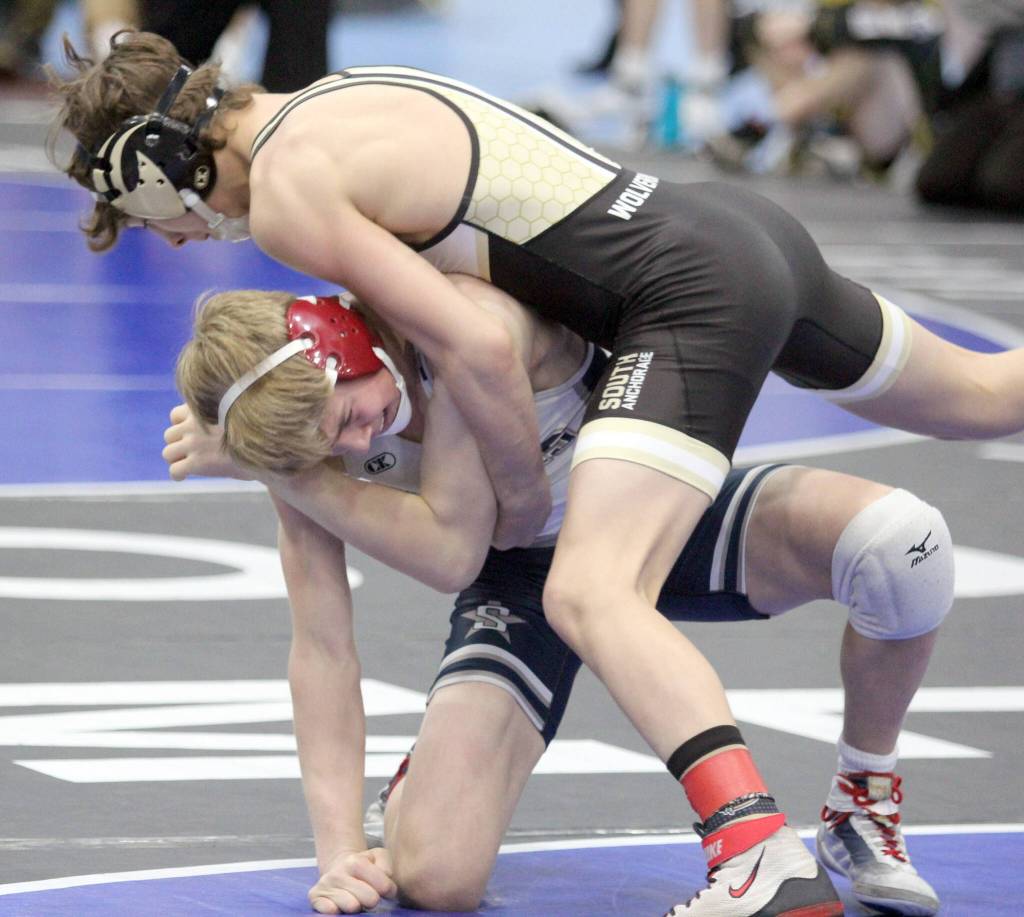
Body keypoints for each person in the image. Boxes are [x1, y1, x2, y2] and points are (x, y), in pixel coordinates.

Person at [50, 31, 1024, 913]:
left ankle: (757, 846)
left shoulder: (292, 199)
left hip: (671, 299)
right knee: (987, 395)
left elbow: (472, 362)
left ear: (162, 164)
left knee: (593, 587)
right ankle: (828, 816)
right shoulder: (331, 107)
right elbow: (327, 632)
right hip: (725, 237)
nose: (174, 238)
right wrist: (338, 846)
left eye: (144, 216)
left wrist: (510, 505)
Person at [165, 275, 948, 916]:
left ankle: (861, 796)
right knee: (437, 876)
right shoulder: (314, 443)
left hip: (650, 511)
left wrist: (289, 477)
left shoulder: (464, 321)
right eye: (327, 449)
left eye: (346, 418)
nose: (358, 446)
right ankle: (416, 782)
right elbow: (323, 649)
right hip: (522, 577)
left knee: (905, 547)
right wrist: (338, 853)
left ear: (347, 344)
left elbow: (448, 551)